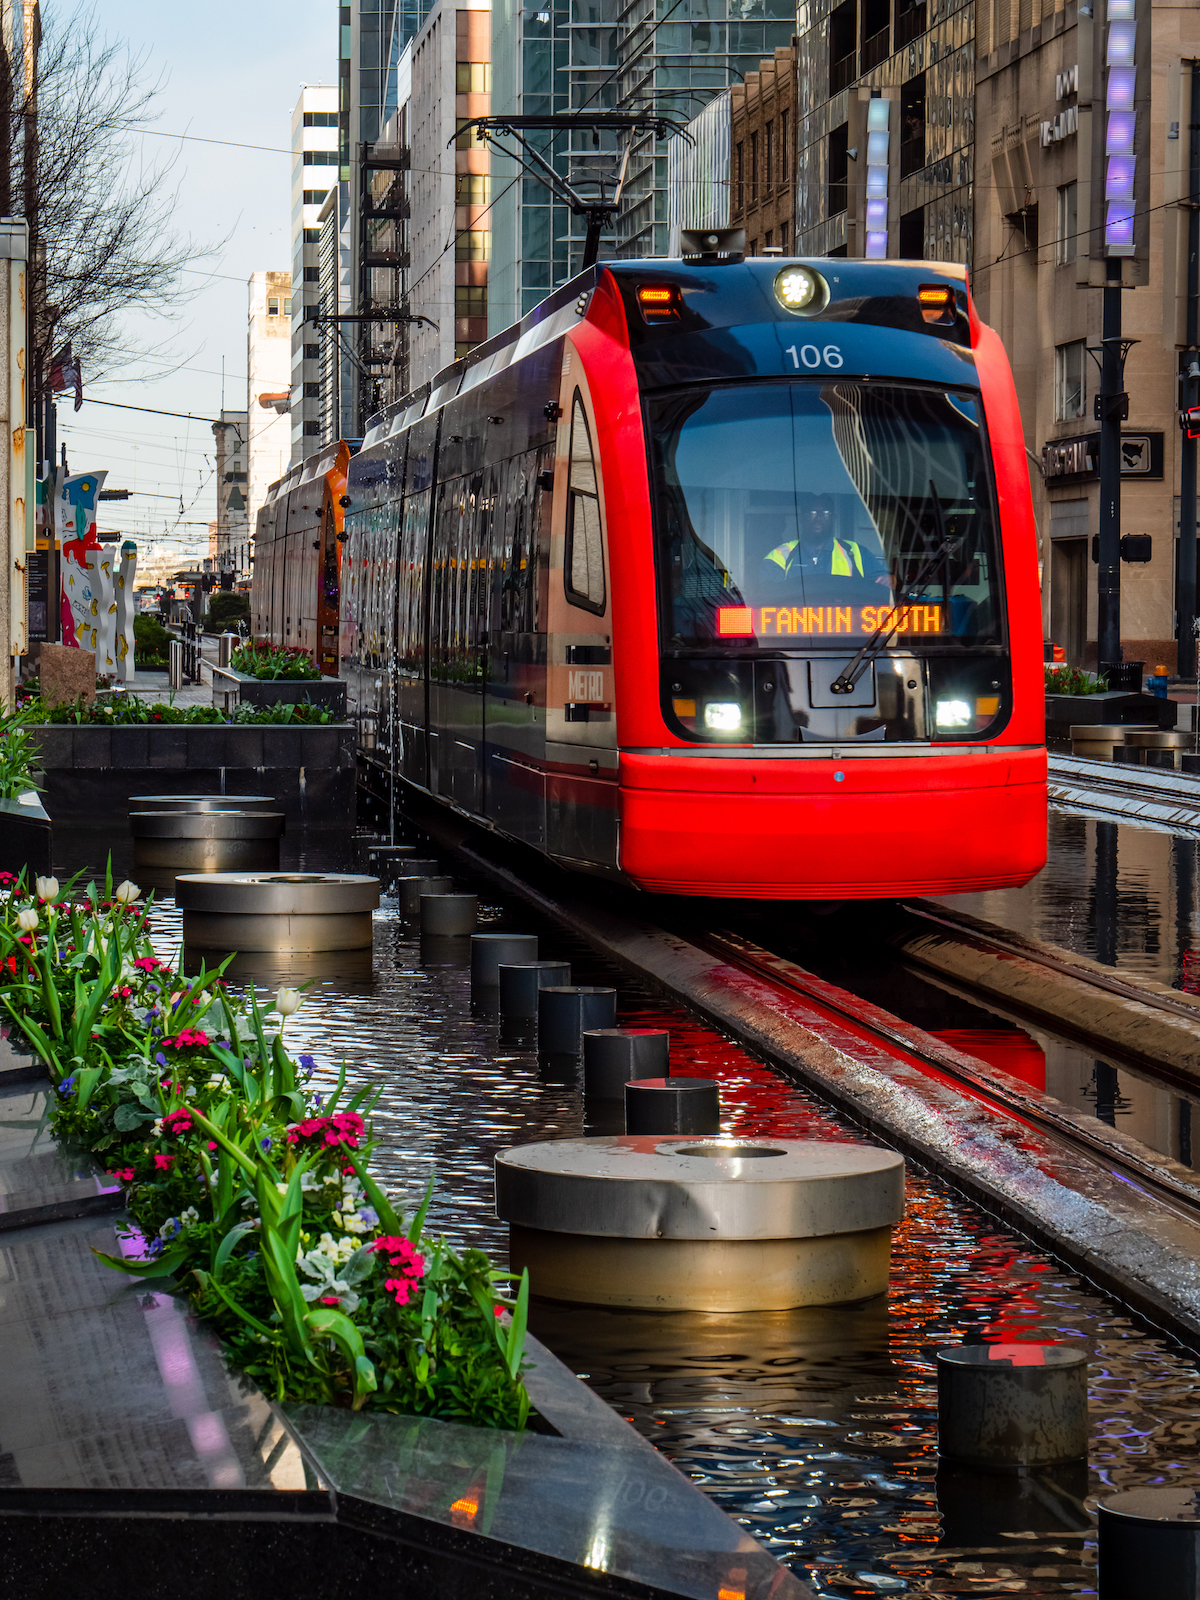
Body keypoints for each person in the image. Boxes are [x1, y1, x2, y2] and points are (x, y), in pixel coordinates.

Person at [762, 494, 888, 584]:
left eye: (826, 513)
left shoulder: (856, 553)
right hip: (796, 621)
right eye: (812, 513)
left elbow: (884, 585)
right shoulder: (779, 556)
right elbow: (769, 598)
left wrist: (890, 580)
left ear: (834, 518)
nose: (819, 518)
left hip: (845, 621)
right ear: (802, 518)